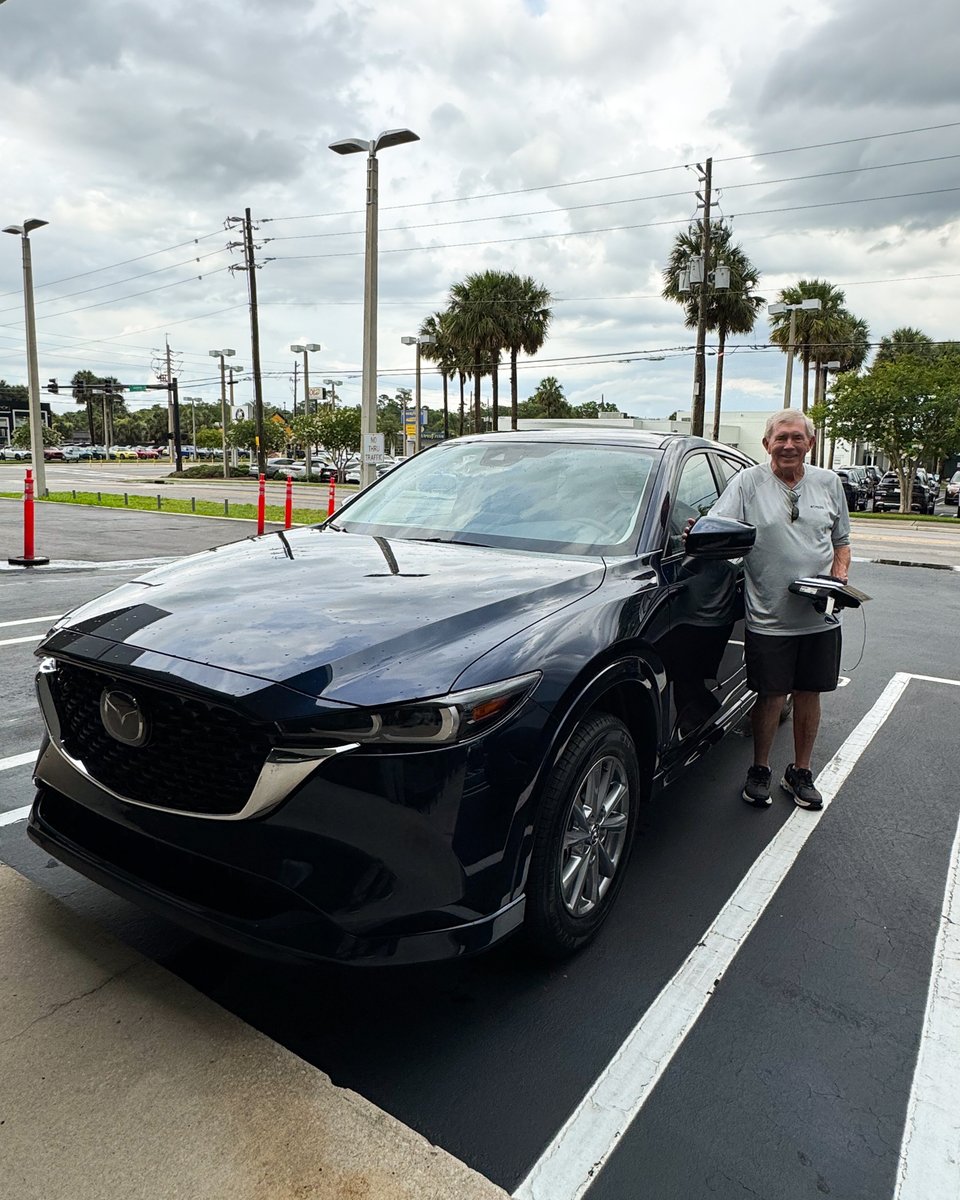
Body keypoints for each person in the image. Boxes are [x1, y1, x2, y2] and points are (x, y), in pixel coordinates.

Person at [709, 411, 851, 811]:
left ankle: (800, 772)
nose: (789, 445)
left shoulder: (828, 483)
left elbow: (842, 541)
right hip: (769, 616)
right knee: (771, 697)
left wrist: (838, 579)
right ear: (766, 443)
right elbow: (717, 526)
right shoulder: (748, 483)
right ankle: (760, 769)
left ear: (810, 442)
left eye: (797, 438)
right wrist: (697, 531)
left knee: (809, 695)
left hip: (820, 615)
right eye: (781, 438)